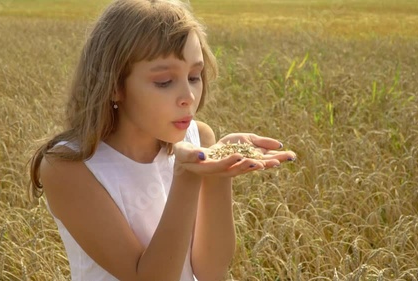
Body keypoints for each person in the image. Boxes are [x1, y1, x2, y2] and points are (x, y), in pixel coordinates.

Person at [28, 0, 296, 280]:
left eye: (194, 76)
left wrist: (220, 168)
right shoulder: (70, 167)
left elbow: (211, 271)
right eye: (165, 81)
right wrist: (188, 174)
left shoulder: (200, 138)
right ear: (115, 86)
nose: (189, 97)